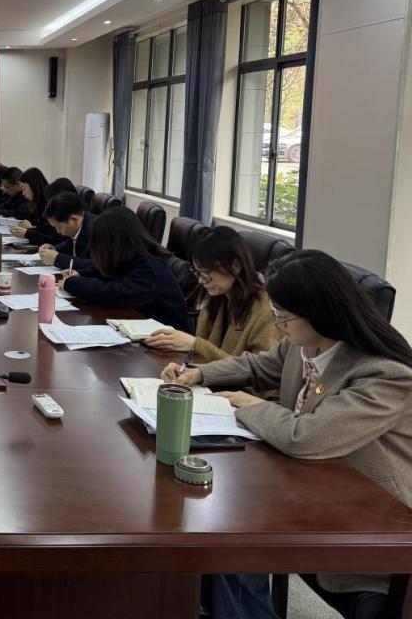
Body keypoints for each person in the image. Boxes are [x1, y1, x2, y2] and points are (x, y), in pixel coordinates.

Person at [161, 249, 412, 617]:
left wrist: (249, 406)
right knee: (218, 528)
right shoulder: (306, 344)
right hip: (311, 488)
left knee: (232, 541)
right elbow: (259, 366)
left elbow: (306, 437)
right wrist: (199, 374)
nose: (277, 323)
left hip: (375, 523)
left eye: (283, 315)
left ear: (321, 312)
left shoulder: (384, 375)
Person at [145, 227, 279, 360]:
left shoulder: (265, 311)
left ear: (235, 266)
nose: (201, 280)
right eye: (198, 272)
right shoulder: (219, 298)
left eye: (206, 273)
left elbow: (258, 370)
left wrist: (196, 345)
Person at [61, 206, 189, 330]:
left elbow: (116, 293)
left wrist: (73, 283)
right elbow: (109, 272)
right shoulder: (131, 257)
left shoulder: (149, 266)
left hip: (170, 338)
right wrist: (81, 274)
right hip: (141, 327)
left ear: (114, 243)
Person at [38, 191, 93, 269]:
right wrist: (54, 249)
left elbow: (95, 267)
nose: (58, 231)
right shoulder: (77, 227)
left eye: (59, 227)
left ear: (74, 220)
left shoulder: (97, 231)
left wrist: (57, 258)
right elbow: (71, 246)